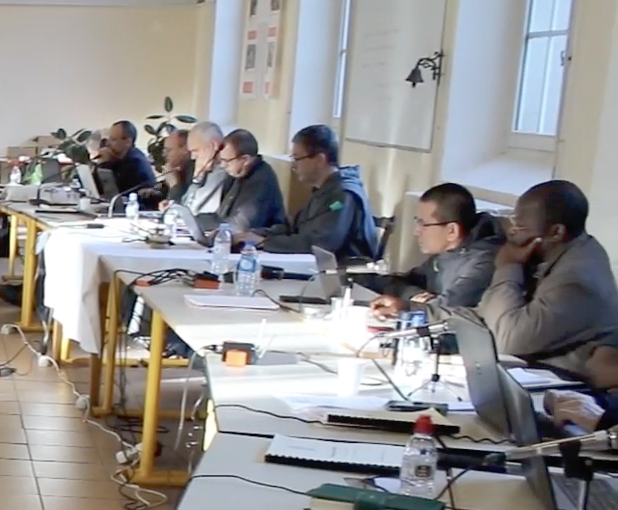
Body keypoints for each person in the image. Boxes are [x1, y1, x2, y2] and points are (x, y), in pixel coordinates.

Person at [474, 180, 618, 378]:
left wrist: (508, 267)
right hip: (531, 370)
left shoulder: (578, 282)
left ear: (556, 232)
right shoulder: (554, 254)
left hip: (567, 383)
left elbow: (507, 340)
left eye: (521, 226)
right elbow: (486, 312)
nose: (512, 233)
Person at [370, 183, 503, 317]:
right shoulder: (448, 252)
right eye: (417, 222)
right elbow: (399, 282)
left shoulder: (484, 263)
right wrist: (415, 295)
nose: (416, 232)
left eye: (423, 224)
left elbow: (444, 310)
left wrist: (409, 305)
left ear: (451, 231)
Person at [250, 124, 377, 259]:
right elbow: (295, 228)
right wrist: (257, 234)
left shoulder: (343, 195)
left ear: (320, 160)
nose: (293, 166)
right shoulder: (323, 190)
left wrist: (266, 243)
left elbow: (322, 243)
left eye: (297, 159)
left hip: (343, 269)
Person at [203, 129, 286, 236]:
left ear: (245, 160)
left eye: (227, 161)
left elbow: (240, 226)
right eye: (221, 160)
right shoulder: (235, 174)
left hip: (258, 243)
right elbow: (220, 217)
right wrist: (194, 221)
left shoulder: (262, 180)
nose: (223, 166)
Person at [171, 121, 227, 216]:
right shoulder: (204, 169)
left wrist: (198, 176)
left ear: (213, 146)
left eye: (195, 150)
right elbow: (184, 207)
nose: (192, 157)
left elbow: (190, 211)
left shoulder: (221, 172)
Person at [93, 120, 156, 197]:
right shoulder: (119, 159)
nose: (107, 143)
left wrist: (104, 163)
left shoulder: (135, 162)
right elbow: (94, 186)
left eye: (113, 139)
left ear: (128, 142)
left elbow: (112, 190)